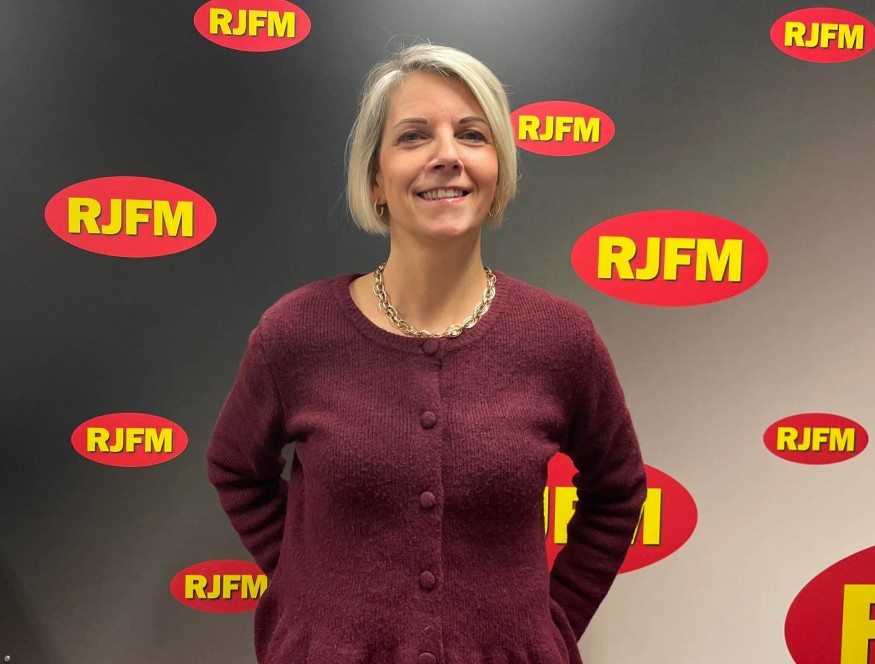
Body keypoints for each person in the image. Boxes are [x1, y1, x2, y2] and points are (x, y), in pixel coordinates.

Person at [207, 43, 646, 664]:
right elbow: (236, 469)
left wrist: (549, 624)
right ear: (375, 179)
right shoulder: (296, 333)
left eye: (472, 134)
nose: (447, 156)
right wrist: (307, 588)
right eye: (414, 136)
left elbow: (618, 491)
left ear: (498, 168)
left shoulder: (560, 337)